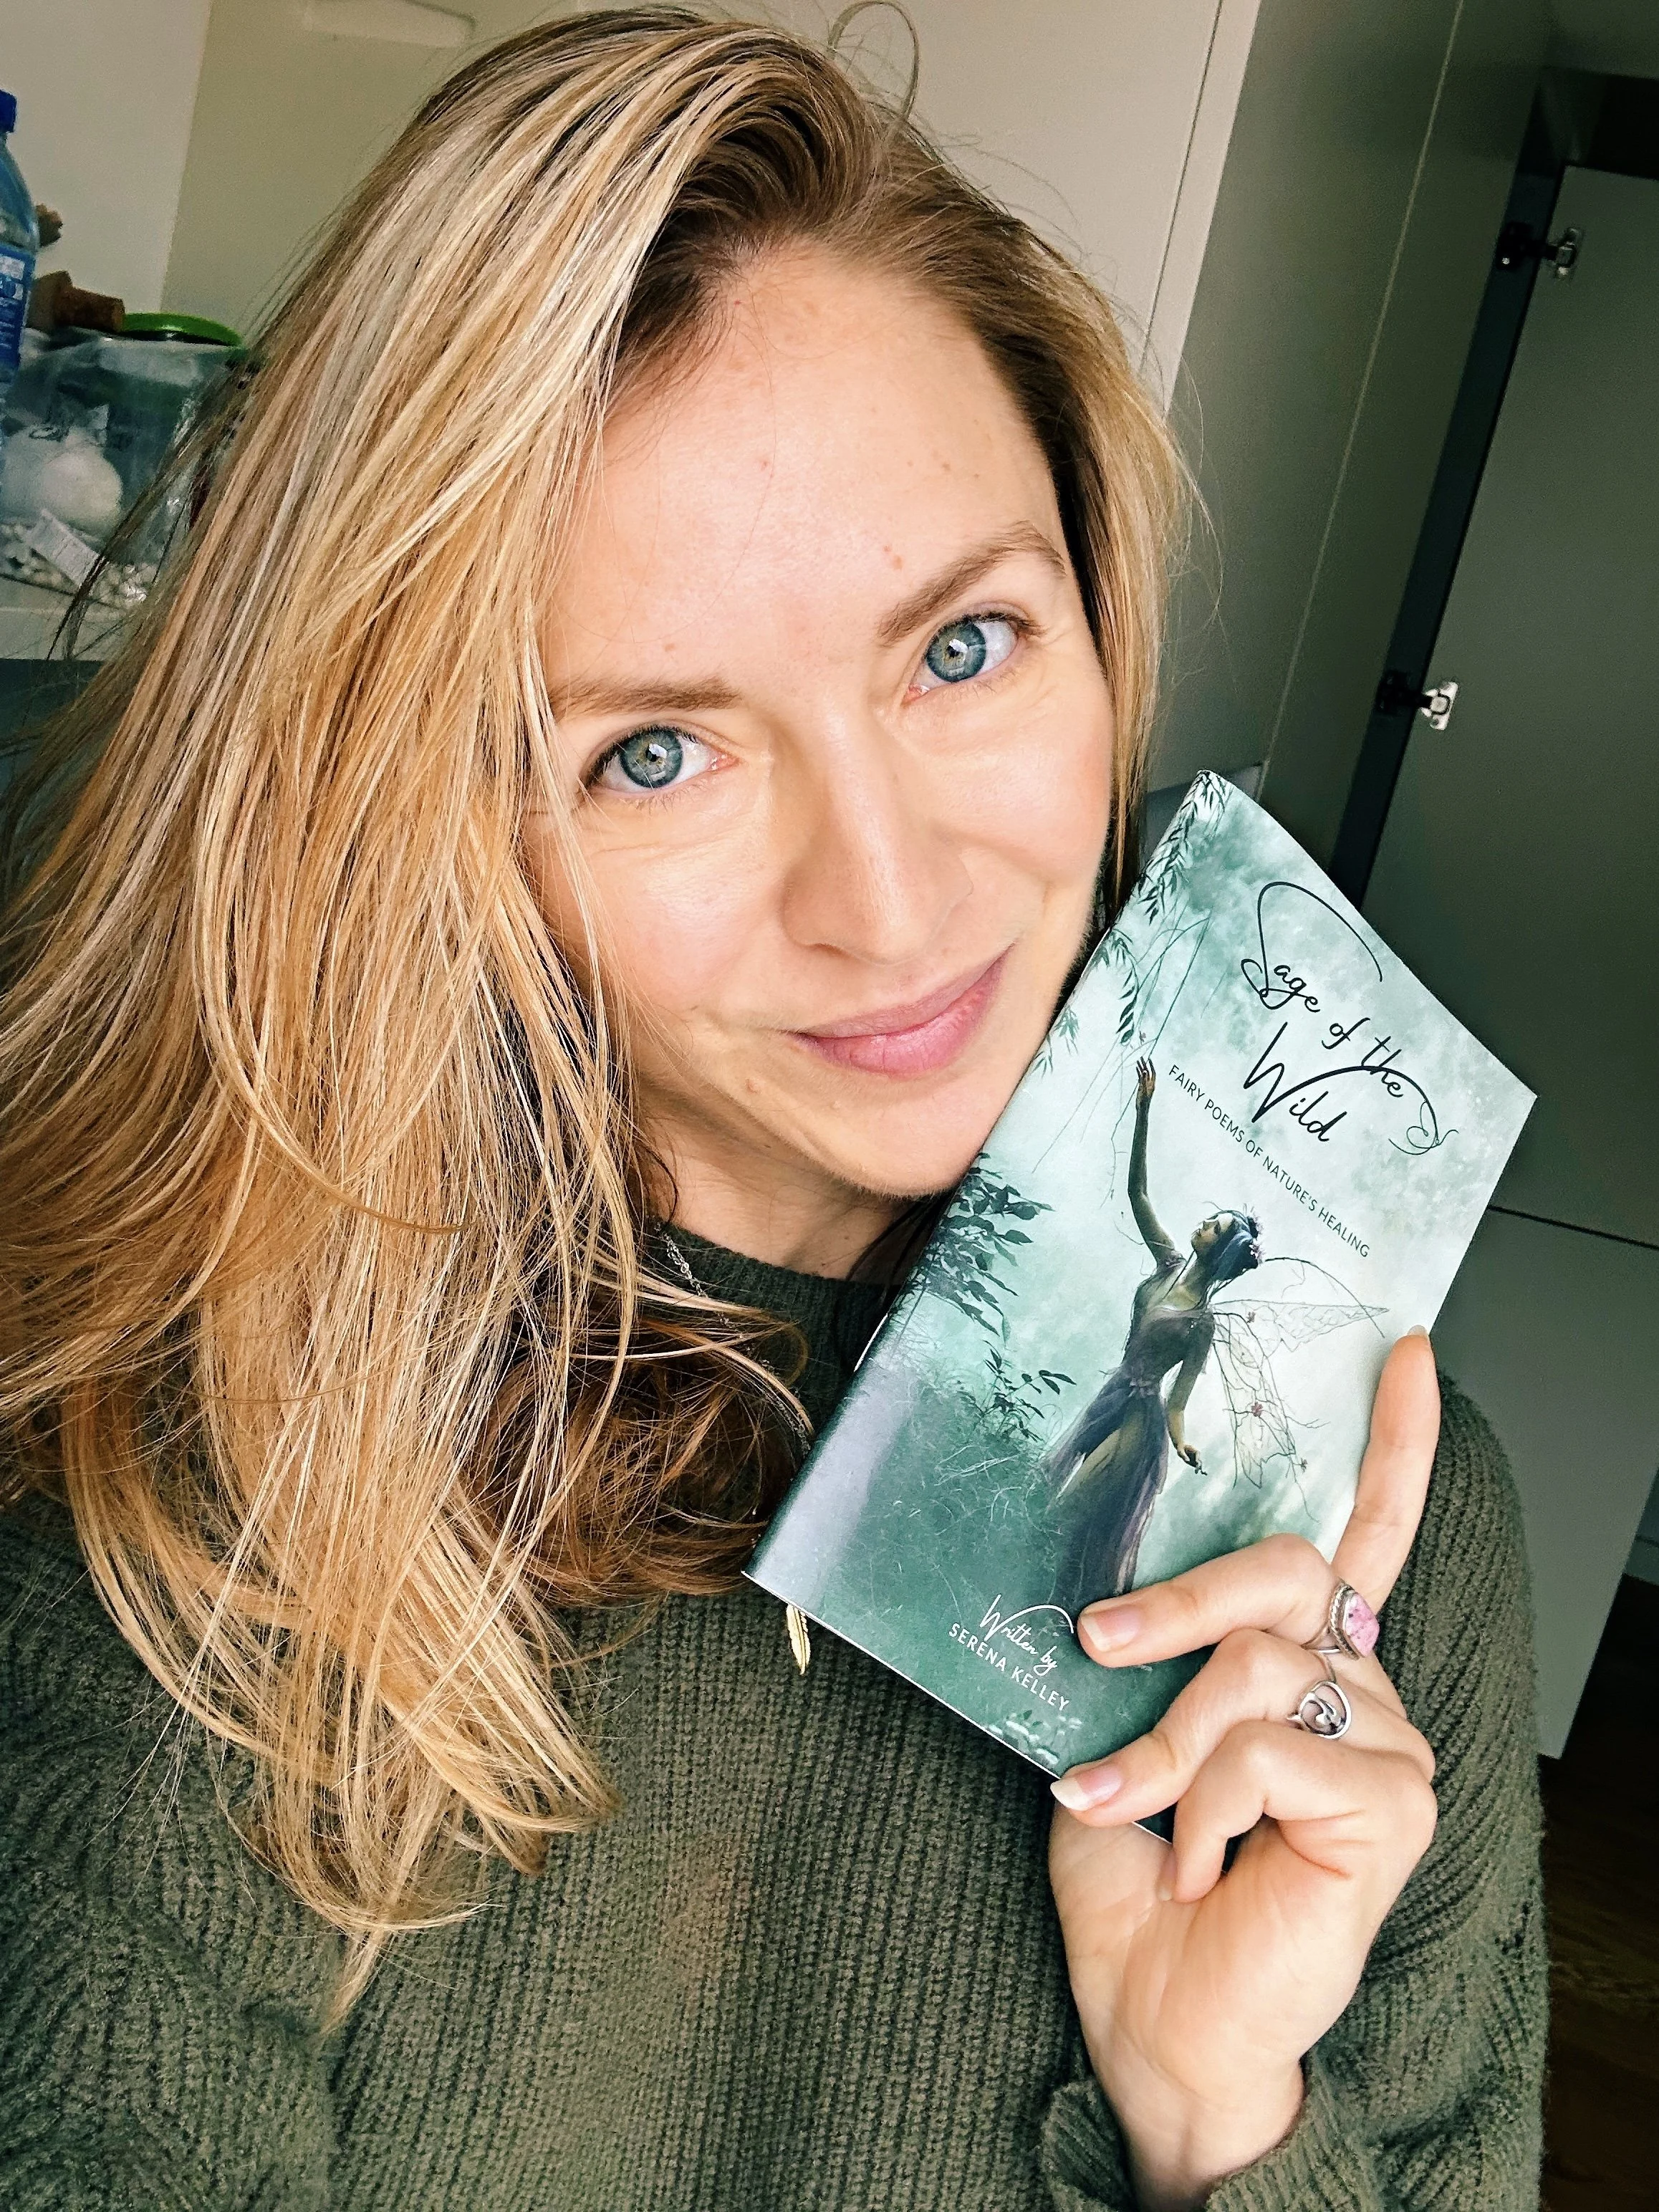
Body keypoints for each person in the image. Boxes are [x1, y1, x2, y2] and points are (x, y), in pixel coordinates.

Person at [0, 13, 1547, 2210]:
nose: (897, 899)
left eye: (963, 649)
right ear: (416, 815)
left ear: (1099, 610)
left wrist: (1219, 2135)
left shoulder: (1381, 1535)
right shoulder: (184, 1475)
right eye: (654, 750)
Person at [1044, 1058, 1262, 1612]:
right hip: (1110, 1396)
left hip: (1141, 1422)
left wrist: (1183, 1440)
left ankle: (1059, 1607)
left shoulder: (1201, 1323)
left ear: (1224, 1251)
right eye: (1211, 1218)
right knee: (1051, 1491)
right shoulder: (1166, 1266)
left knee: (1069, 1511)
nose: (1204, 1225)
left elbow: (1180, 1400)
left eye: (1215, 1228)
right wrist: (1144, 1111)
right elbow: (1138, 1194)